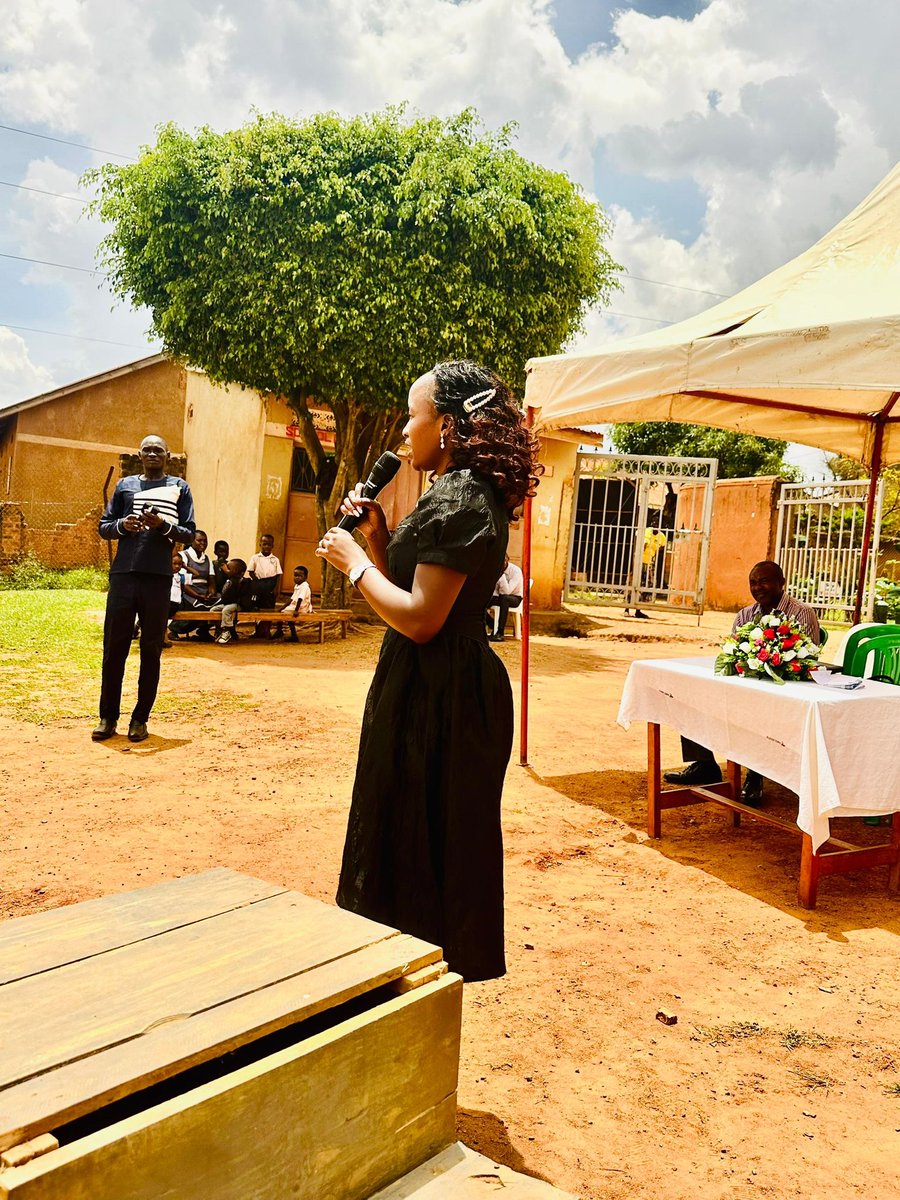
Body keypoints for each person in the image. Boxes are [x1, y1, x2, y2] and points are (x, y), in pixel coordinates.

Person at [316, 360, 540, 983]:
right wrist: (379, 540)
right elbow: (416, 591)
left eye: (412, 416)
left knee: (427, 843)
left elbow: (420, 619)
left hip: (447, 695)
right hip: (425, 683)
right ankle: (401, 980)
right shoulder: (452, 491)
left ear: (445, 425)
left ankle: (415, 996)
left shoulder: (464, 494)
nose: (404, 431)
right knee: (404, 836)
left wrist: (356, 564)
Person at [663, 560, 821, 806]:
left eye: (764, 581)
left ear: (781, 583)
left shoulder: (801, 612)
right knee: (692, 691)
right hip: (747, 683)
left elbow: (806, 659)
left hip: (785, 689)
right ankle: (704, 764)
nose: (758, 587)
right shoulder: (745, 615)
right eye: (753, 582)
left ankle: (755, 775)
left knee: (758, 706)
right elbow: (734, 654)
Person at [93, 434, 195, 742]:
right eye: (147, 450)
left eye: (158, 451)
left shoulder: (180, 487)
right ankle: (107, 718)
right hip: (124, 575)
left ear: (167, 456)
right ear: (140, 455)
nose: (152, 454)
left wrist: (161, 525)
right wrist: (123, 525)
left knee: (151, 650)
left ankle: (139, 719)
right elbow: (104, 527)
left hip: (158, 578)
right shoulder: (125, 485)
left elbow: (189, 533)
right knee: (114, 649)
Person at [169, 529, 218, 641]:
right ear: (191, 541)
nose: (203, 543)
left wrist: (211, 592)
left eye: (205, 541)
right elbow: (181, 582)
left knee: (219, 604)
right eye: (199, 540)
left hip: (203, 593)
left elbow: (211, 579)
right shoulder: (182, 556)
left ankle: (203, 630)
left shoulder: (207, 559)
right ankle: (175, 629)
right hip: (189, 592)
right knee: (200, 608)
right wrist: (198, 596)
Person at [247, 534, 283, 639]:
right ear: (260, 544)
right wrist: (257, 583)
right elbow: (250, 571)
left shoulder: (275, 559)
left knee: (269, 608)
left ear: (273, 546)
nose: (267, 547)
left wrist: (276, 588)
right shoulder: (255, 558)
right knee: (258, 608)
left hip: (271, 584)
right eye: (264, 544)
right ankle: (257, 631)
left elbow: (278, 575)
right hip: (259, 584)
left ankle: (267, 631)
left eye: (269, 545)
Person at [215, 558, 252, 644]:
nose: (226, 570)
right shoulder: (230, 580)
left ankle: (226, 631)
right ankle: (218, 628)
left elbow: (236, 596)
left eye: (229, 568)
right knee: (214, 609)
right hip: (229, 603)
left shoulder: (241, 582)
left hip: (238, 604)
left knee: (226, 610)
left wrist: (228, 573)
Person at [272, 565, 313, 641]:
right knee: (281, 612)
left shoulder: (304, 586)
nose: (297, 578)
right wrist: (281, 607)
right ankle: (284, 632)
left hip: (302, 607)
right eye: (295, 576)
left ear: (305, 577)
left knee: (284, 614)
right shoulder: (297, 586)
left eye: (300, 576)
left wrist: (296, 610)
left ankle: (289, 634)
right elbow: (292, 599)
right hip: (295, 606)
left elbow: (300, 599)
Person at [487, 556, 524, 641]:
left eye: (503, 561)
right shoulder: (494, 569)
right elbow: (494, 590)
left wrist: (501, 575)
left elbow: (507, 591)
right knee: (482, 600)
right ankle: (492, 625)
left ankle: (500, 632)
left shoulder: (515, 571)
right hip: (500, 597)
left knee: (505, 599)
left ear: (507, 561)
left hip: (515, 598)